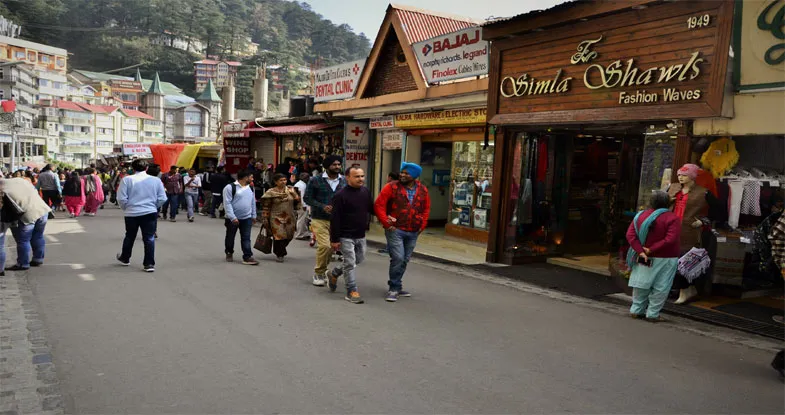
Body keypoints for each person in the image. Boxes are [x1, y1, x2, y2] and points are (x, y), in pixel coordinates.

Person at [374, 162, 430, 302]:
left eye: (406, 173)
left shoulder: (423, 190)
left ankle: (397, 285)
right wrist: (386, 223)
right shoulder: (391, 187)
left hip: (413, 230)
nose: (402, 175)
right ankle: (393, 288)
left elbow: (426, 208)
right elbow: (379, 205)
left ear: (415, 176)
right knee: (398, 258)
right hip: (395, 229)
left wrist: (422, 225)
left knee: (405, 259)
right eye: (402, 172)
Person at [625, 190, 682, 322]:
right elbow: (671, 239)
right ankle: (652, 313)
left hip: (643, 257)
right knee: (661, 286)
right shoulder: (672, 218)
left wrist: (641, 251)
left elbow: (630, 235)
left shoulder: (640, 215)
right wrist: (651, 249)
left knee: (641, 283)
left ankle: (636, 310)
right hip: (666, 258)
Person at [329, 167, 374, 304]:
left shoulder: (365, 192)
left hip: (360, 234)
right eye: (357, 176)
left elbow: (372, 209)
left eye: (362, 176)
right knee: (349, 263)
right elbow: (335, 218)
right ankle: (351, 291)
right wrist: (335, 239)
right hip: (345, 235)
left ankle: (334, 273)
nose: (361, 179)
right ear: (347, 177)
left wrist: (388, 217)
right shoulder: (340, 195)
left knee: (358, 260)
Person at [116, 159, 167, 272]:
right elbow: (163, 198)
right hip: (149, 212)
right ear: (146, 168)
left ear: (132, 169)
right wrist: (154, 206)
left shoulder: (127, 180)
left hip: (131, 213)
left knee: (130, 236)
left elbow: (121, 198)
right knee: (149, 238)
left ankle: (125, 258)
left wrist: (126, 208)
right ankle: (149, 264)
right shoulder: (156, 180)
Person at [304, 155, 346, 286]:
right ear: (327, 166)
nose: (337, 167)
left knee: (332, 248)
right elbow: (307, 198)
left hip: (338, 220)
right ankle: (319, 272)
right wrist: (322, 206)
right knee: (325, 246)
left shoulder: (344, 181)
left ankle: (325, 269)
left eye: (339, 164)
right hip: (319, 218)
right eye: (334, 165)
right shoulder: (315, 180)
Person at [2, 177, 51, 271]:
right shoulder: (21, 181)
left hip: (26, 215)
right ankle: (38, 259)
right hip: (42, 210)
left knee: (23, 240)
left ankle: (23, 263)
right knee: (38, 236)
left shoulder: (2, 188)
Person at [260, 173, 301, 262]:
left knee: (289, 236)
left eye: (285, 180)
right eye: (281, 180)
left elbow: (297, 204)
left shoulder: (291, 190)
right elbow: (266, 206)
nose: (283, 182)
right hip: (275, 217)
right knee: (279, 236)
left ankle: (278, 249)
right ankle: (280, 253)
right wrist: (265, 218)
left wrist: (294, 194)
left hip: (290, 217)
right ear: (275, 182)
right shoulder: (270, 192)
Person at [223, 170, 258, 265]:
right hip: (232, 219)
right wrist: (232, 217)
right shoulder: (230, 187)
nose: (252, 179)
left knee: (246, 238)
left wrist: (253, 215)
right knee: (230, 237)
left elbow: (252, 202)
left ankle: (247, 256)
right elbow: (227, 203)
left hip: (246, 218)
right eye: (251, 177)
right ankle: (229, 252)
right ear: (245, 177)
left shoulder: (251, 187)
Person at [377, 172, 400, 254]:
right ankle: (390, 248)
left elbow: (380, 203)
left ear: (390, 177)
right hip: (395, 215)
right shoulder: (400, 187)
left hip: (390, 214)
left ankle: (390, 249)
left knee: (390, 233)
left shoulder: (390, 186)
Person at [293, 172, 311, 240]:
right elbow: (302, 196)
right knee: (302, 220)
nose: (308, 179)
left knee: (302, 219)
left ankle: (304, 233)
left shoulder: (298, 184)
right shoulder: (302, 185)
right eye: (307, 177)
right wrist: (303, 205)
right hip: (302, 205)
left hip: (299, 204)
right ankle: (300, 234)